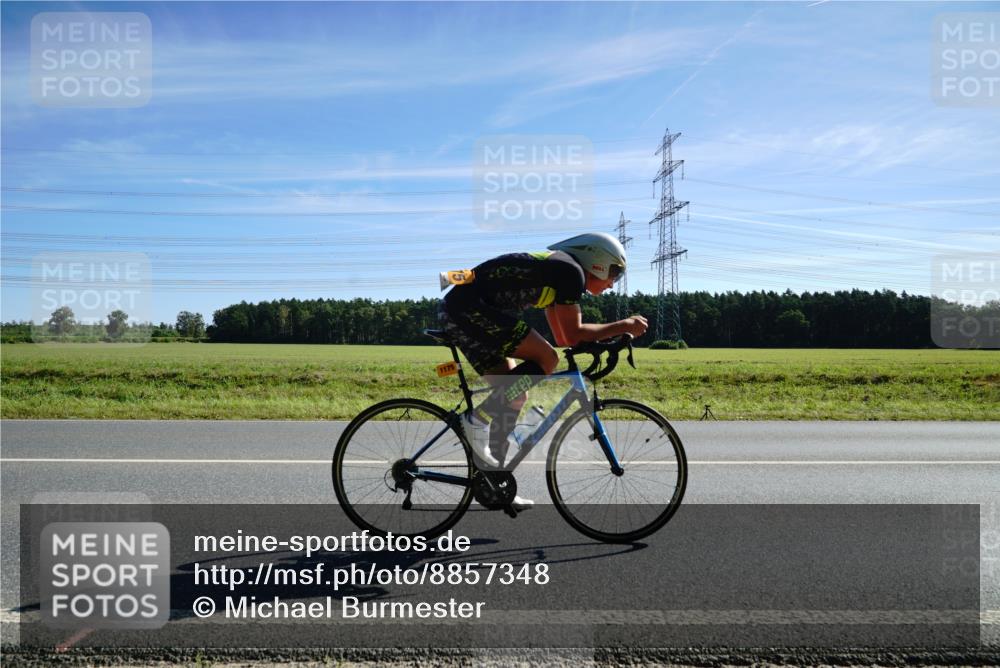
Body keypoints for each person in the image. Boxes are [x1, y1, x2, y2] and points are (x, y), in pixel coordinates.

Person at [438, 232, 649, 510]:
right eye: (614, 273)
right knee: (547, 359)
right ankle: (476, 420)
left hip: (461, 310)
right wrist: (624, 325)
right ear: (596, 261)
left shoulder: (561, 274)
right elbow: (573, 335)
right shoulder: (571, 273)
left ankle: (495, 482)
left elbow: (563, 337)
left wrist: (603, 340)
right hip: (467, 310)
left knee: (515, 395)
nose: (612, 284)